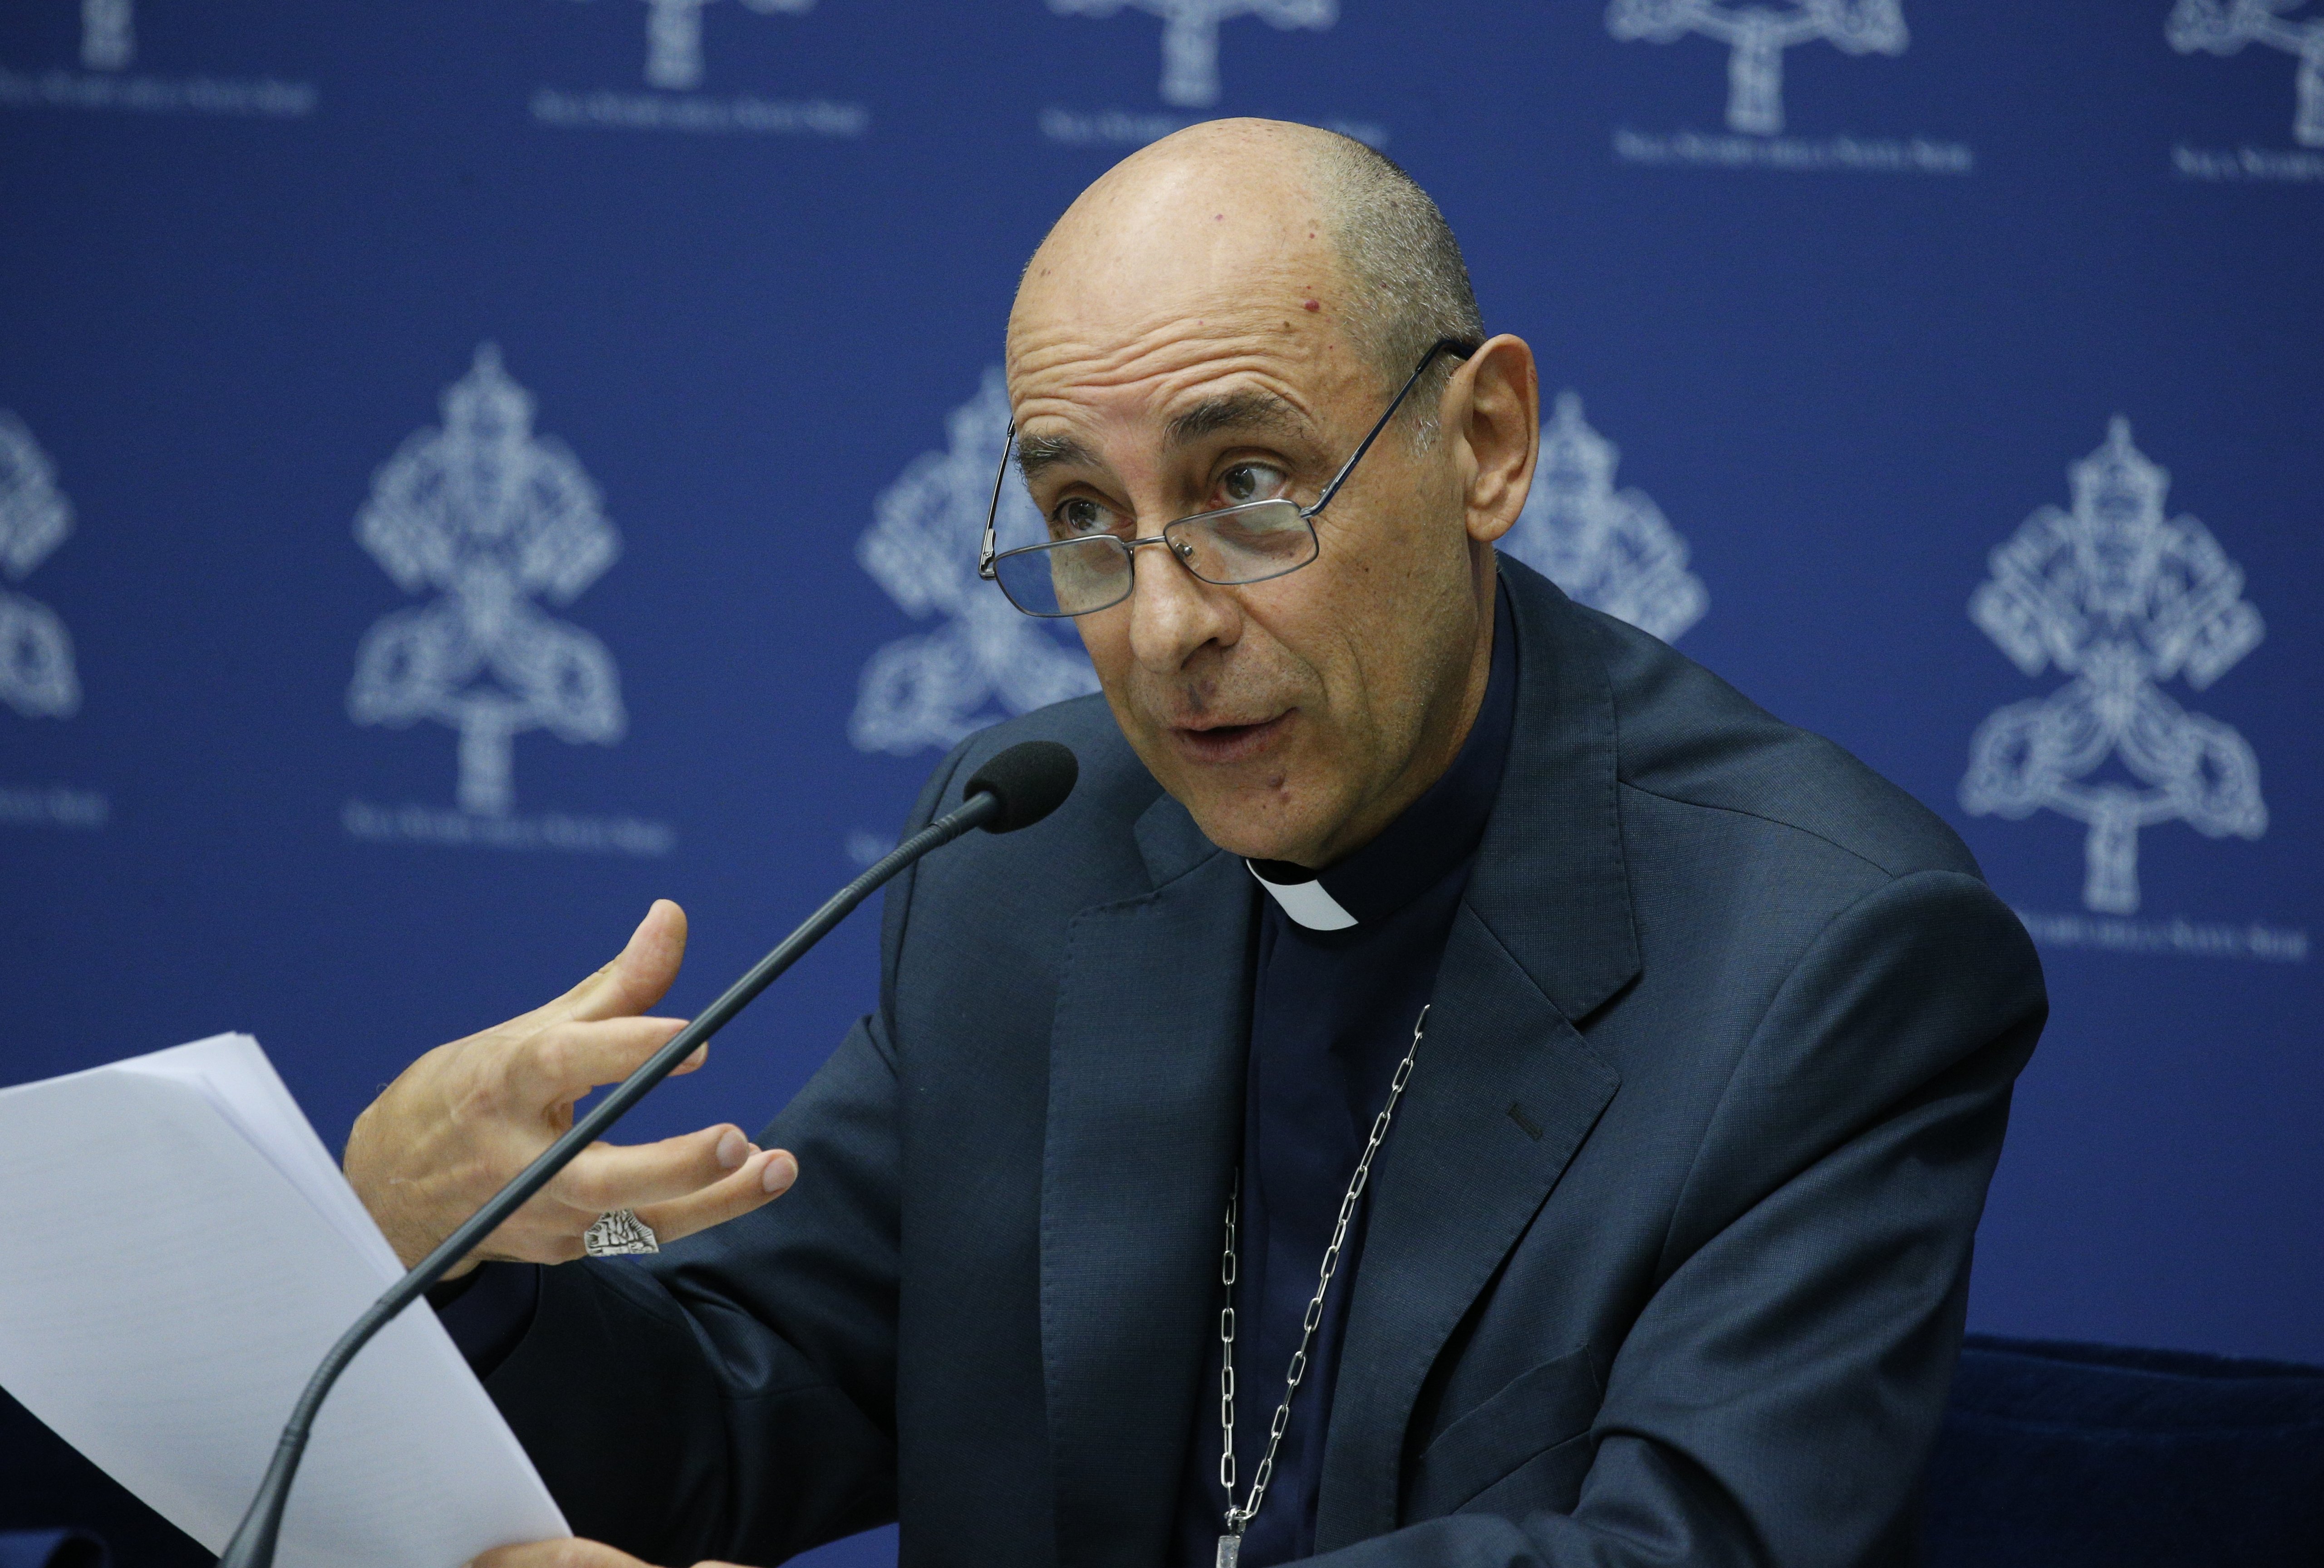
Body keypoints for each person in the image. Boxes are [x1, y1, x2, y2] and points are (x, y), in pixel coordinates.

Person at [344, 118, 2047, 1568]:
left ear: (1487, 445)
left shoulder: (1830, 952)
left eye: (1248, 486)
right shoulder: (1037, 849)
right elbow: (744, 1397)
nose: (1160, 629)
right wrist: (451, 1264)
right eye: (1082, 519)